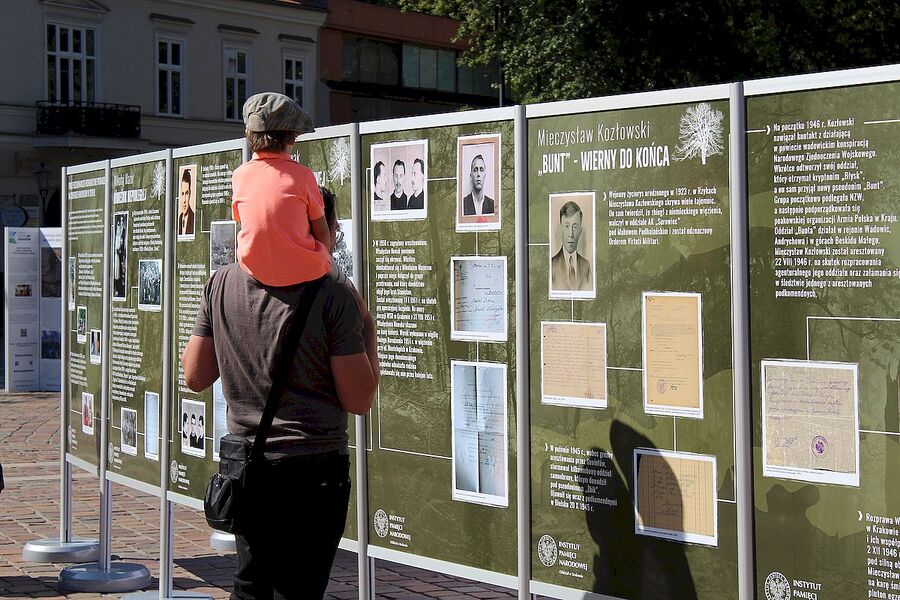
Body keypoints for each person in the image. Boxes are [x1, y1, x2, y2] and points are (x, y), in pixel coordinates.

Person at [181, 203, 379, 598]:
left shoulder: (221, 282)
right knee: (300, 590)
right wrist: (368, 327)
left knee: (251, 585)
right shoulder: (333, 292)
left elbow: (194, 376)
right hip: (313, 465)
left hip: (247, 463)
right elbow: (359, 399)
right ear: (320, 228)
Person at [231, 92, 332, 287]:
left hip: (253, 270)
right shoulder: (303, 176)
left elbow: (247, 222)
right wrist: (326, 262)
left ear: (250, 135)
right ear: (292, 138)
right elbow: (322, 231)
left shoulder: (239, 175)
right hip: (304, 272)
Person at [550, 200, 592, 292]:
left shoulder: (586, 265)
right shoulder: (551, 264)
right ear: (561, 228)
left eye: (575, 226)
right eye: (567, 226)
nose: (571, 234)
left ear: (580, 230)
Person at [178, 169, 195, 237]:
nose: (184, 200)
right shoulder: (179, 219)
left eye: (186, 193)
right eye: (182, 194)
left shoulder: (193, 218)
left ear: (190, 194)